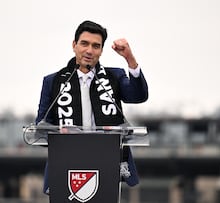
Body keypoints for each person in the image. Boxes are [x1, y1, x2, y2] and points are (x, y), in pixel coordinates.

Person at [35, 20, 149, 194]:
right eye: (84, 43)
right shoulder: (53, 82)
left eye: (96, 46)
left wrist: (129, 58)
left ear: (102, 51)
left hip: (107, 164)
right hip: (66, 166)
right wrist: (60, 132)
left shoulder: (114, 77)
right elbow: (39, 130)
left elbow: (138, 95)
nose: (89, 50)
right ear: (74, 45)